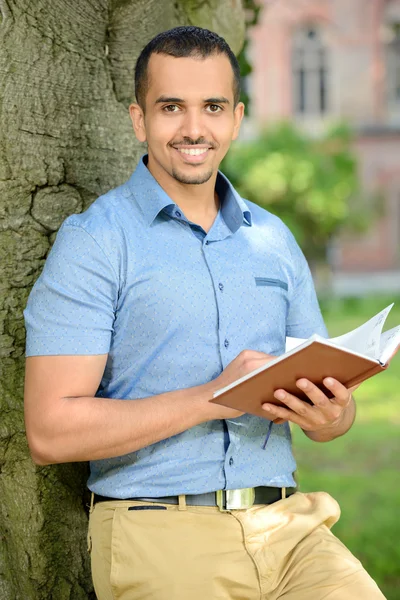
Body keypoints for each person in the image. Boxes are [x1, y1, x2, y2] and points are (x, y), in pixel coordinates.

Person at [23, 26, 385, 600]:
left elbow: (334, 419)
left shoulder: (273, 238)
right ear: (139, 120)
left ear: (236, 119)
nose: (194, 128)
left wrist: (331, 416)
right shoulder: (96, 241)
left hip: (291, 530)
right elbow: (50, 430)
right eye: (172, 108)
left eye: (212, 107)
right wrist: (213, 397)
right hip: (159, 530)